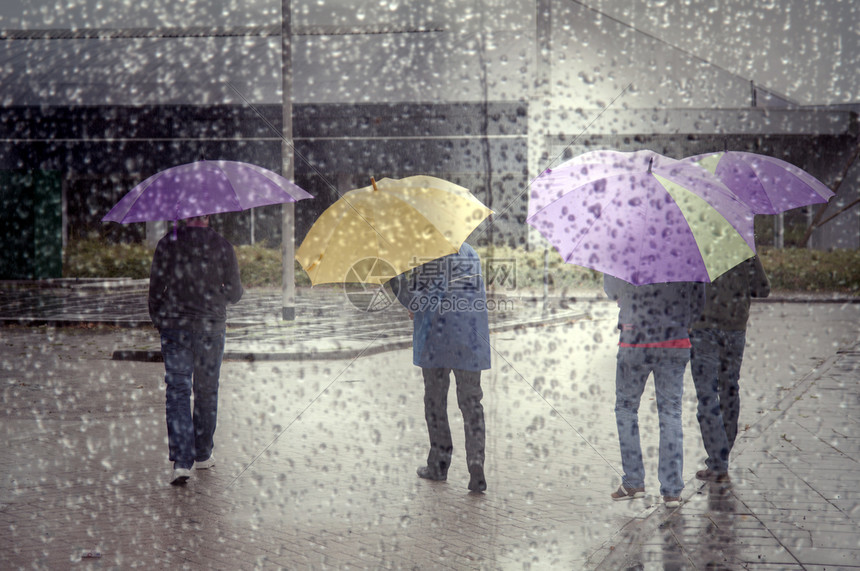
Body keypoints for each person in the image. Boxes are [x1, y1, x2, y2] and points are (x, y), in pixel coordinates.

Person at [148, 214, 243, 485]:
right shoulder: (223, 246)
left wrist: (160, 319)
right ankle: (202, 454)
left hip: (175, 327)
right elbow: (235, 293)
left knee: (177, 390)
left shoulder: (168, 243)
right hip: (211, 326)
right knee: (206, 389)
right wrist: (218, 297)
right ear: (209, 214)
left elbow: (155, 289)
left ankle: (181, 462)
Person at [393, 242, 491, 492]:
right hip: (470, 339)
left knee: (435, 401)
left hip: (436, 339)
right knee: (471, 403)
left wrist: (393, 278)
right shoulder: (471, 253)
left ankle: (438, 464)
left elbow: (414, 301)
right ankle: (476, 462)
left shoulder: (427, 255)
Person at [604, 275, 705, 508]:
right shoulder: (685, 250)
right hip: (675, 341)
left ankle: (633, 481)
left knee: (626, 408)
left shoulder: (625, 243)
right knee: (671, 412)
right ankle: (671, 491)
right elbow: (699, 300)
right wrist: (684, 322)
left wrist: (624, 296)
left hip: (634, 340)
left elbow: (611, 289)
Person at [690, 256, 770, 483]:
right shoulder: (742, 249)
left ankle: (717, 461)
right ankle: (721, 457)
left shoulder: (694, 247)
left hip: (703, 329)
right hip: (735, 329)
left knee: (707, 395)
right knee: (729, 389)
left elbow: (682, 289)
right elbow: (762, 289)